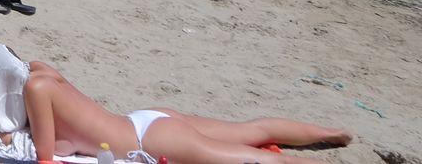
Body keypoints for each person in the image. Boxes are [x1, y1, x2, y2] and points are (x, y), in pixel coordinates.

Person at [19, 60, 347, 164]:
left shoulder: (36, 91)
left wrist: (24, 136)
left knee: (261, 160)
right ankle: (327, 134)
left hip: (152, 139)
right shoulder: (40, 73)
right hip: (145, 117)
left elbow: (48, 157)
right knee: (253, 130)